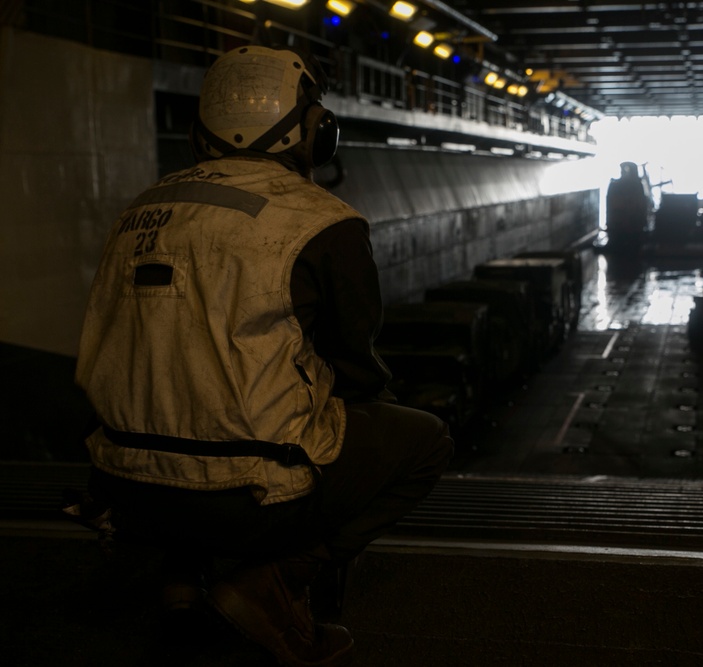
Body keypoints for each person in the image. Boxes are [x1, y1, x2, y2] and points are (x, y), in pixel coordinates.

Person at [73, 45, 454, 666]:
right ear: (315, 132)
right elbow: (355, 368)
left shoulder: (136, 211)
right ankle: (273, 585)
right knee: (425, 442)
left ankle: (180, 588)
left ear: (201, 133)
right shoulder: (324, 222)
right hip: (248, 502)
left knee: (180, 391)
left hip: (124, 491)